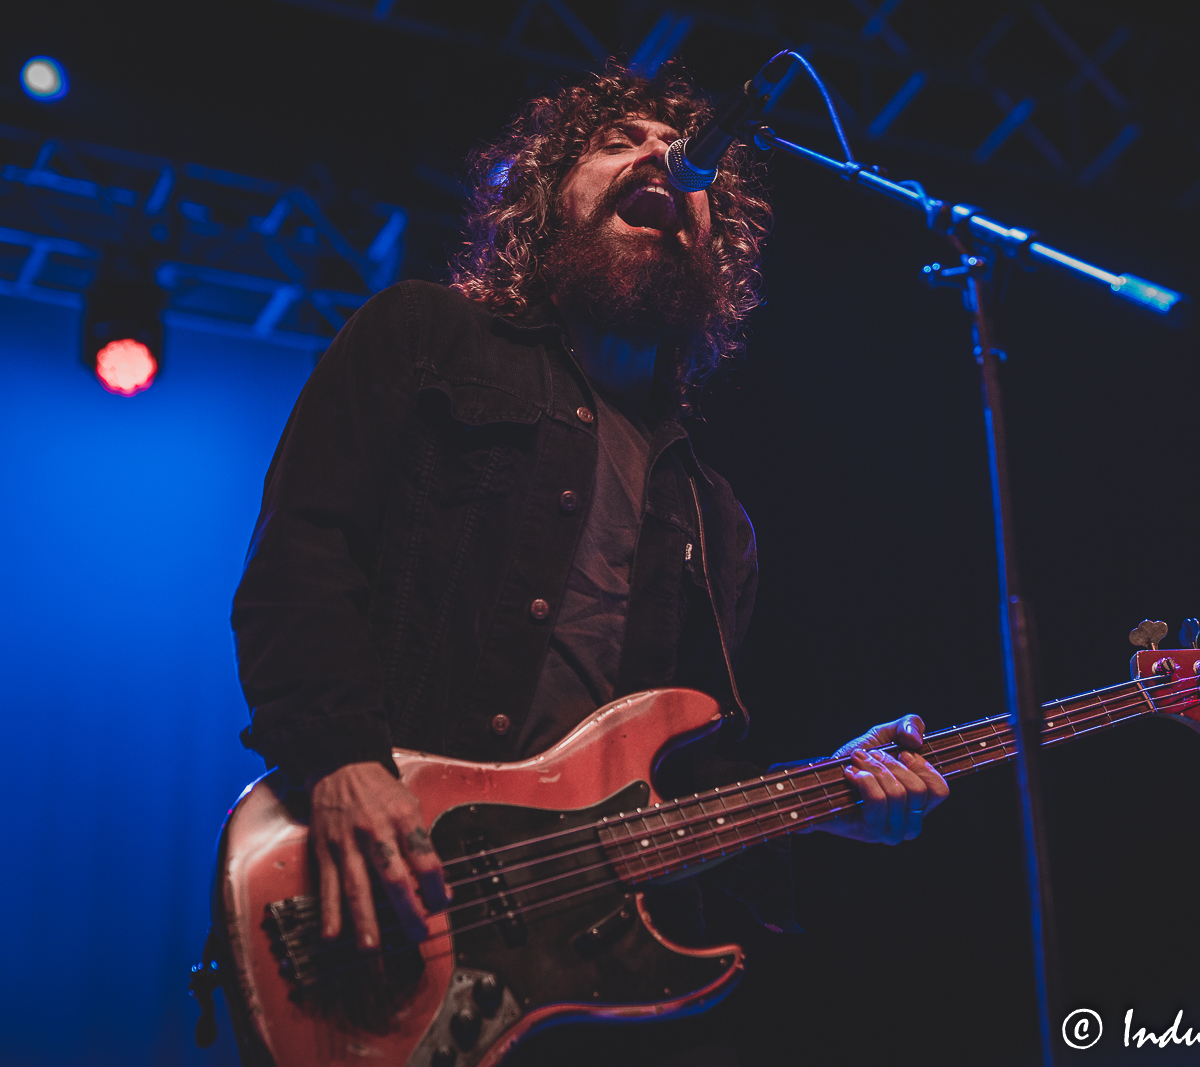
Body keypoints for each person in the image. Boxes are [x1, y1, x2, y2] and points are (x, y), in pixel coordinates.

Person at [230, 63, 948, 1062]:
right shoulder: (425, 338)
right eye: (618, 141)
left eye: (682, 152)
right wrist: (344, 757)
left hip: (564, 995)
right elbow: (303, 552)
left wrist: (827, 803)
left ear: (716, 244)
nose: (661, 153)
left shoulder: (715, 519)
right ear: (544, 201)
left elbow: (679, 786)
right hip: (367, 904)